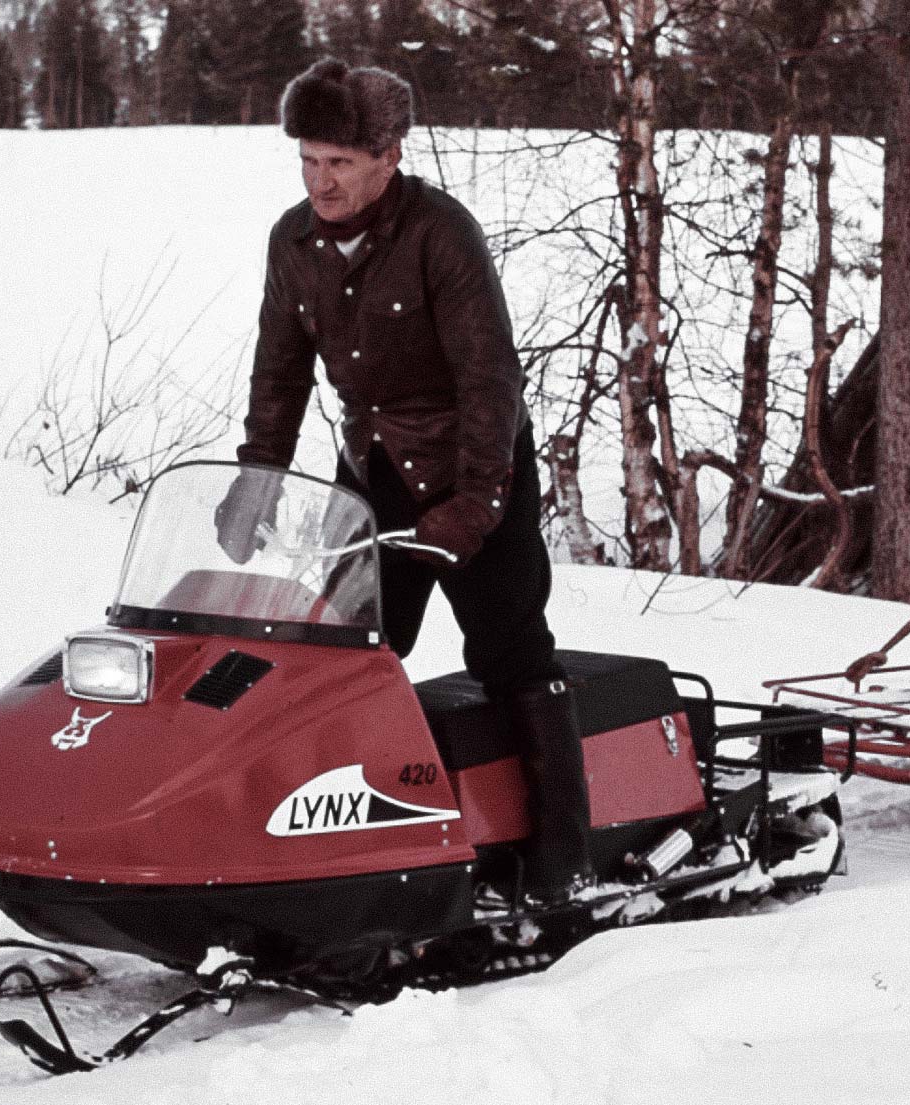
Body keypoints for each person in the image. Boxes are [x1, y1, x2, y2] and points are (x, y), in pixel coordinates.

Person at [216, 57, 592, 904]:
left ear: (388, 155)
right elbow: (279, 372)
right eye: (308, 160)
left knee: (509, 650)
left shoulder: (439, 233)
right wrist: (256, 480)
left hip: (473, 464)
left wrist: (476, 505)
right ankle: (341, 847)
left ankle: (564, 861)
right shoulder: (294, 240)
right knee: (349, 652)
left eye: (339, 163)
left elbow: (489, 378)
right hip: (373, 472)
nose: (321, 180)